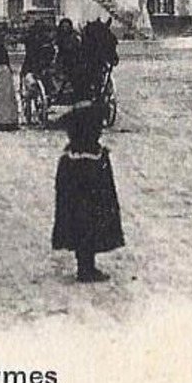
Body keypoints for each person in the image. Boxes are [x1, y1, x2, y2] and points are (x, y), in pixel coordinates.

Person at [51, 101, 124, 283]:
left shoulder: (68, 160)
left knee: (80, 227)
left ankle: (84, 264)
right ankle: (86, 268)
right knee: (88, 226)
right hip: (90, 205)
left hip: (76, 206)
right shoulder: (96, 159)